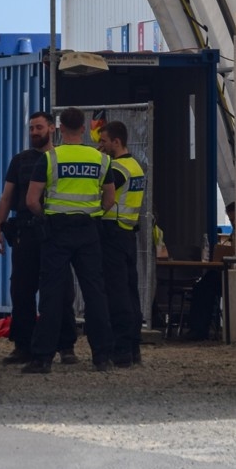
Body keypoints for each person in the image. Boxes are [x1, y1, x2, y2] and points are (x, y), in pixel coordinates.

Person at [22, 107, 116, 374]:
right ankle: (102, 357)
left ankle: (42, 359)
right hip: (89, 231)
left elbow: (31, 200)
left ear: (60, 129)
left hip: (56, 231)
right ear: (84, 129)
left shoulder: (50, 158)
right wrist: (94, 213)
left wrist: (47, 216)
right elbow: (109, 199)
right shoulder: (100, 159)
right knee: (95, 293)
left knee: (52, 294)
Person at [0, 111, 78, 366]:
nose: (34, 133)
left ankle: (66, 345)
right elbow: (7, 196)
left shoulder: (61, 158)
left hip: (54, 232)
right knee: (22, 289)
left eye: (39, 127)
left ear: (52, 128)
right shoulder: (20, 161)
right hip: (26, 232)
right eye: (31, 128)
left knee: (61, 290)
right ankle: (23, 345)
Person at [97, 120, 146, 367]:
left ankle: (122, 349)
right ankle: (134, 347)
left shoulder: (117, 169)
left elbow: (102, 195)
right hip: (127, 234)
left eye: (103, 141)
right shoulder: (136, 166)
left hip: (112, 233)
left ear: (117, 142)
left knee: (116, 294)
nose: (100, 146)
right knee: (130, 291)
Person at [185, 201, 234, 341]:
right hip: (226, 272)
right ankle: (197, 327)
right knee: (202, 286)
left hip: (231, 274)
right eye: (230, 220)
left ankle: (198, 329)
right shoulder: (235, 233)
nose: (233, 222)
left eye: (233, 219)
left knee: (203, 287)